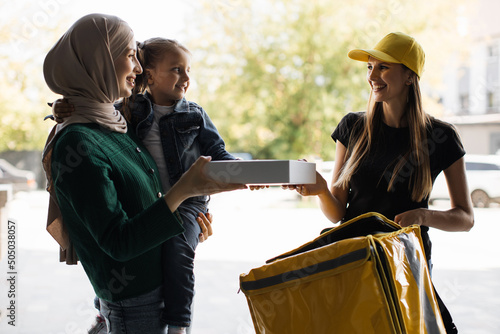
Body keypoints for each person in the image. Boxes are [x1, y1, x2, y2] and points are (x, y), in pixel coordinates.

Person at [42, 13, 246, 334]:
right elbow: (118, 242)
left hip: (153, 289)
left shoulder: (114, 123)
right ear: (99, 60)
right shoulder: (79, 141)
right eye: (129, 55)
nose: (137, 67)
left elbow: (144, 203)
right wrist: (182, 193)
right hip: (133, 301)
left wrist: (185, 224)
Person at [283, 32, 474, 333]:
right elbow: (337, 213)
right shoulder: (353, 127)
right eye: (369, 67)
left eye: (383, 67)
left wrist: (423, 216)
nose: (372, 75)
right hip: (353, 259)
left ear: (410, 76)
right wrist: (320, 188)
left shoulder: (441, 137)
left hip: (405, 264)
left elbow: (465, 218)